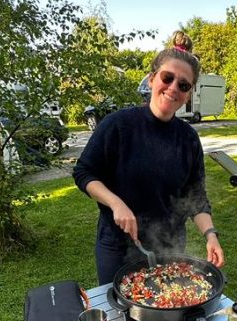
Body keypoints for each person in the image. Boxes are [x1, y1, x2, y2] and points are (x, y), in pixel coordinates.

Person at [73, 32, 225, 285]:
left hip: (170, 246)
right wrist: (116, 203)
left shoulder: (188, 139)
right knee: (119, 307)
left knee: (168, 304)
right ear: (152, 79)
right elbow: (84, 172)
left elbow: (196, 198)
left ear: (188, 94)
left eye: (183, 85)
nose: (173, 88)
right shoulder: (118, 125)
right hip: (119, 247)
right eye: (167, 78)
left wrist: (211, 235)